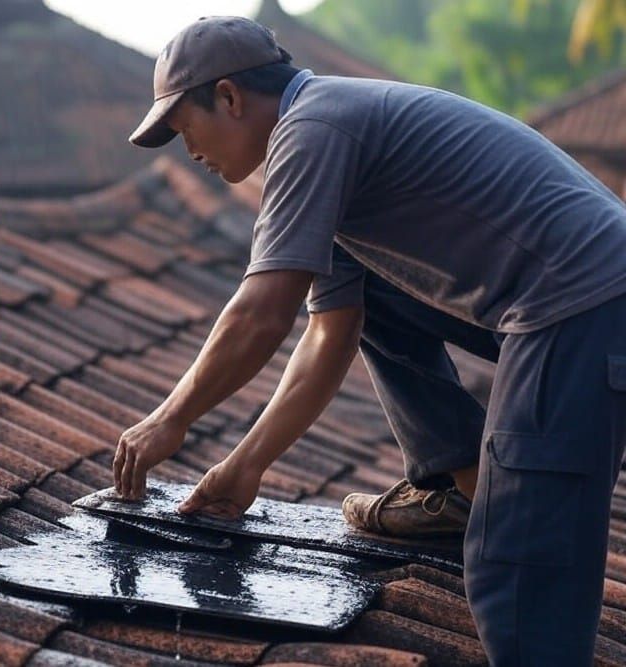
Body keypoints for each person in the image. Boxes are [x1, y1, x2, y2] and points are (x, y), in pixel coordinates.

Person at [113, 15, 626, 665]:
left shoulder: (311, 130)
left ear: (231, 98)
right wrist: (245, 468)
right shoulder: (330, 138)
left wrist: (169, 419)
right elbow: (332, 332)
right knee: (371, 295)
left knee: (515, 572)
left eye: (187, 129)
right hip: (575, 302)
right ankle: (459, 482)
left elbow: (261, 314)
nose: (192, 153)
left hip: (582, 307)